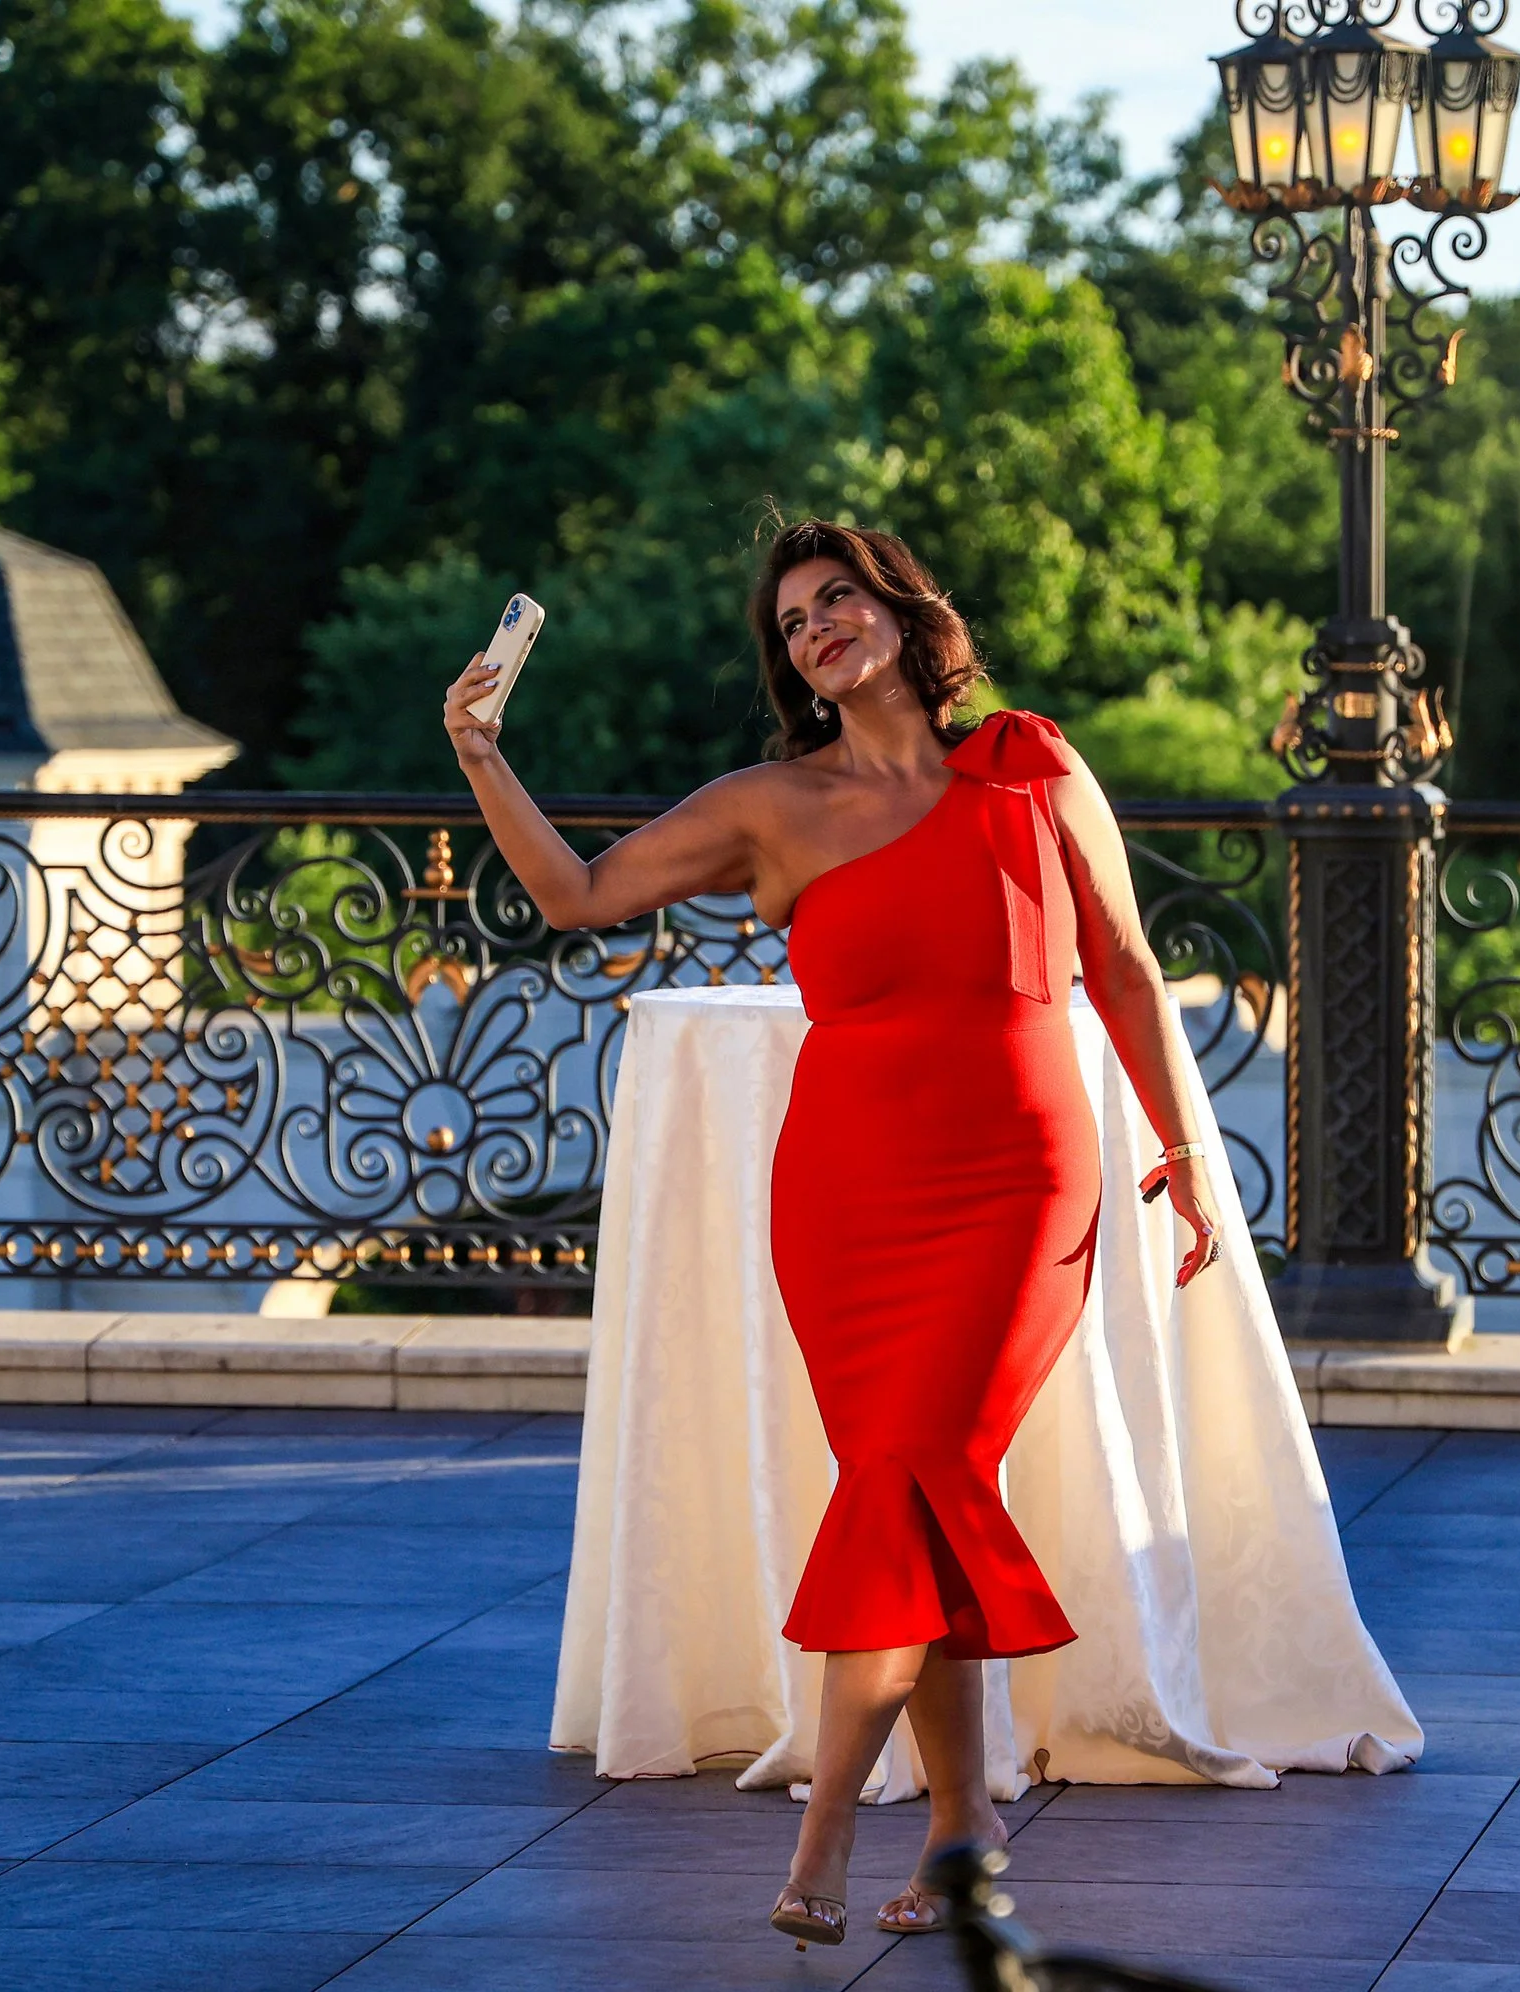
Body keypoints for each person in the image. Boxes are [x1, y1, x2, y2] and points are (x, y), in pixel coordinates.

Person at [443, 518, 1225, 1946]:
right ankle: (961, 1823)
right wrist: (484, 753)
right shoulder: (769, 804)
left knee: (912, 1470)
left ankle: (824, 1843)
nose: (816, 629)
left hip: (1017, 1184)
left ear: (902, 611)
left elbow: (1120, 965)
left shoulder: (1032, 763)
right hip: (847, 1199)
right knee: (906, 1486)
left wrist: (1181, 1152)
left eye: (838, 599)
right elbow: (576, 895)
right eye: (794, 620)